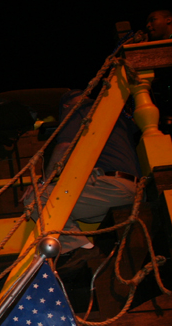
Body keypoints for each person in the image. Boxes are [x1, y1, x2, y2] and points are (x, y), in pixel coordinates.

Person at [34, 90, 141, 258]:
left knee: (36, 199)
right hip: (133, 189)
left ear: (66, 106)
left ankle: (77, 248)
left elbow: (64, 147)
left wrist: (43, 182)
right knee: (67, 212)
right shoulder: (117, 116)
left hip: (109, 186)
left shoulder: (81, 109)